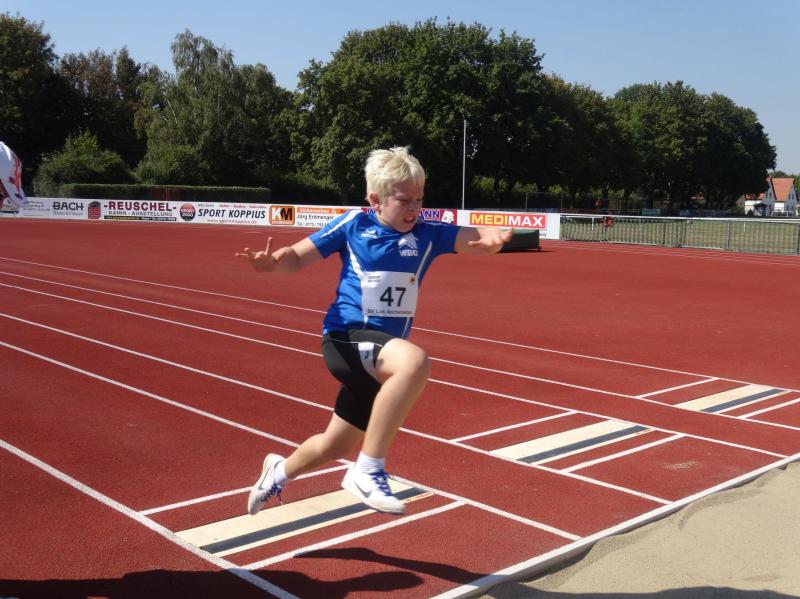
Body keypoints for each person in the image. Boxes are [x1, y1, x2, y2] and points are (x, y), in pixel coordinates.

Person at [237, 146, 512, 516]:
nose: (414, 209)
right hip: (345, 338)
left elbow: (474, 236)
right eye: (404, 200)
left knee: (334, 445)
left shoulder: (428, 234)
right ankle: (367, 470)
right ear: (376, 200)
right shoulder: (354, 225)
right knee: (414, 362)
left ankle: (278, 471)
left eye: (419, 199)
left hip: (380, 358)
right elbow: (297, 257)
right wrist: (272, 264)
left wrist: (493, 237)